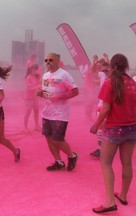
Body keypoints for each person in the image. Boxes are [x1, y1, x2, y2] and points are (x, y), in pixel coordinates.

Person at [90, 53, 136, 214]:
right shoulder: (133, 83)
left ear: (113, 66)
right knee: (127, 163)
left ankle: (109, 201)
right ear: (126, 66)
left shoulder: (110, 83)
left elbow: (106, 109)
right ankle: (123, 195)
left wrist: (95, 125)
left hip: (114, 129)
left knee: (106, 162)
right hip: (132, 128)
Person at [37, 53, 79, 171]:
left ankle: (72, 156)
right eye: (46, 60)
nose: (48, 62)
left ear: (58, 61)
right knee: (48, 137)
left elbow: (75, 91)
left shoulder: (64, 75)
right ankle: (58, 161)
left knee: (57, 139)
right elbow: (45, 92)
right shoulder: (45, 76)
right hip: (46, 112)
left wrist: (60, 97)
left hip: (60, 113)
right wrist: (40, 93)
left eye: (51, 60)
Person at [90, 61, 111, 159]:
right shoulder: (102, 75)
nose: (105, 72)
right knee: (101, 127)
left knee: (104, 127)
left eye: (107, 70)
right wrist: (94, 63)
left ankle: (103, 149)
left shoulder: (115, 79)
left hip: (110, 104)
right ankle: (100, 149)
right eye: (103, 70)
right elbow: (92, 72)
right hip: (101, 103)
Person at [24, 64, 41, 131]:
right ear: (30, 69)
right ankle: (25, 127)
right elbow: (29, 88)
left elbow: (42, 83)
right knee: (28, 111)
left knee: (36, 111)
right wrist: (38, 86)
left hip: (35, 97)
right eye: (33, 69)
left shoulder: (37, 76)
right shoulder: (28, 77)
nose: (35, 70)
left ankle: (36, 126)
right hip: (28, 97)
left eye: (36, 69)